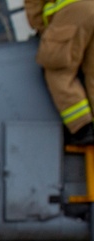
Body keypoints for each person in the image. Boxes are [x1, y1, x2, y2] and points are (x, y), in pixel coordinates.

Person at [25, 0, 94, 145]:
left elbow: (34, 7)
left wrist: (46, 33)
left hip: (73, 10)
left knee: (57, 70)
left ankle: (83, 128)